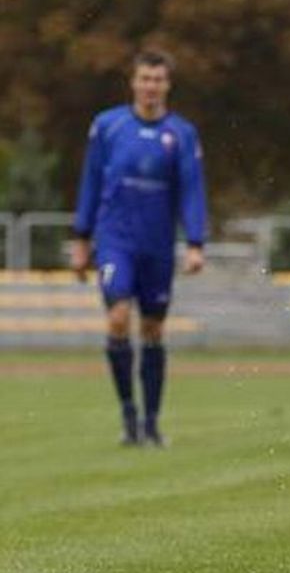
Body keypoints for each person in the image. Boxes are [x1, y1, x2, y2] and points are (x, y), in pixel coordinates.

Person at [71, 49, 208, 446]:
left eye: (158, 80)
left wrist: (195, 242)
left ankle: (151, 422)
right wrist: (82, 238)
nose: (151, 86)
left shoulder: (181, 133)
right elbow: (91, 181)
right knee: (117, 318)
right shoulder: (107, 126)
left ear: (167, 85)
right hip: (115, 240)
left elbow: (192, 188)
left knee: (152, 328)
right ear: (133, 82)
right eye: (145, 79)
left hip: (157, 244)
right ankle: (129, 414)